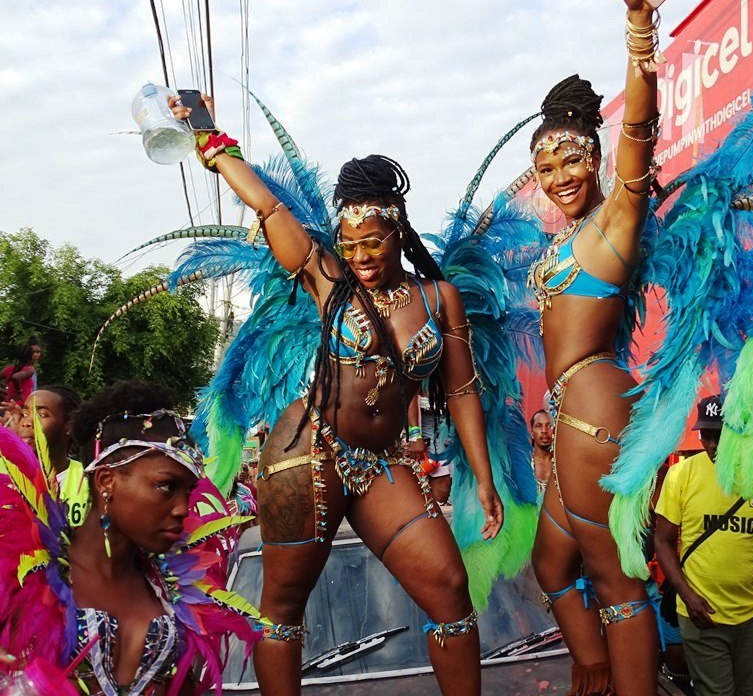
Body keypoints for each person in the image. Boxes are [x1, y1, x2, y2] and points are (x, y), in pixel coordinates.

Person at [170, 99, 504, 696]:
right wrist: (208, 136)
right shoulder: (327, 277)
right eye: (350, 245)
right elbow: (269, 205)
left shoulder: (439, 298)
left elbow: (459, 390)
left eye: (373, 242)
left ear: (397, 231)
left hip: (378, 466)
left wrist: (481, 475)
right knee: (284, 610)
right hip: (309, 454)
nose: (361, 257)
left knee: (450, 590)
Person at [527, 0, 669, 694]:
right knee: (552, 563)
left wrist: (639, 31)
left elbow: (639, 140)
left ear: (596, 154)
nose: (559, 176)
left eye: (574, 158)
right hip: (570, 409)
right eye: (546, 166)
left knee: (614, 579)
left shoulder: (614, 220)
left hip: (593, 405)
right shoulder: (563, 243)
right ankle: (590, 665)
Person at [0, 380, 258, 695]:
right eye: (166, 486)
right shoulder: (20, 577)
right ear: (107, 481)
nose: (182, 508)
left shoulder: (176, 593)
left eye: (188, 492)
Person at [654, 395, 753, 696]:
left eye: (721, 435)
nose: (712, 444)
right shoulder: (682, 475)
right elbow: (662, 541)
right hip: (702, 615)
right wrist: (688, 596)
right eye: (707, 435)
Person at [17, 385, 89, 527]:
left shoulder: (89, 482)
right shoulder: (5, 476)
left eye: (42, 415)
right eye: (24, 414)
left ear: (69, 425)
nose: (27, 422)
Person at [2, 340, 41, 409]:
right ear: (26, 354)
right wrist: (19, 391)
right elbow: (15, 377)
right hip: (20, 407)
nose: (36, 355)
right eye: (33, 352)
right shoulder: (30, 369)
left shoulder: (9, 369)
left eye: (38, 352)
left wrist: (5, 390)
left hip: (8, 405)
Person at [530, 409, 553, 495]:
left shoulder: (563, 465)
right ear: (532, 432)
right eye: (538, 426)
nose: (544, 430)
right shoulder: (523, 463)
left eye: (549, 425)